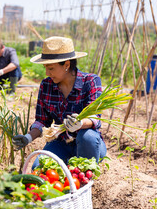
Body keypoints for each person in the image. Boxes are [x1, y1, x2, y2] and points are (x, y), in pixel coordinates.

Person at [12, 36, 107, 168]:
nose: (47, 72)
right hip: (60, 142)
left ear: (67, 65)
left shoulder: (90, 81)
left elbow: (95, 118)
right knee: (38, 168)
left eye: (51, 68)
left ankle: (84, 178)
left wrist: (80, 123)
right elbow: (42, 121)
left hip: (87, 143)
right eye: (45, 68)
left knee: (88, 137)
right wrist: (28, 137)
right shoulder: (46, 85)